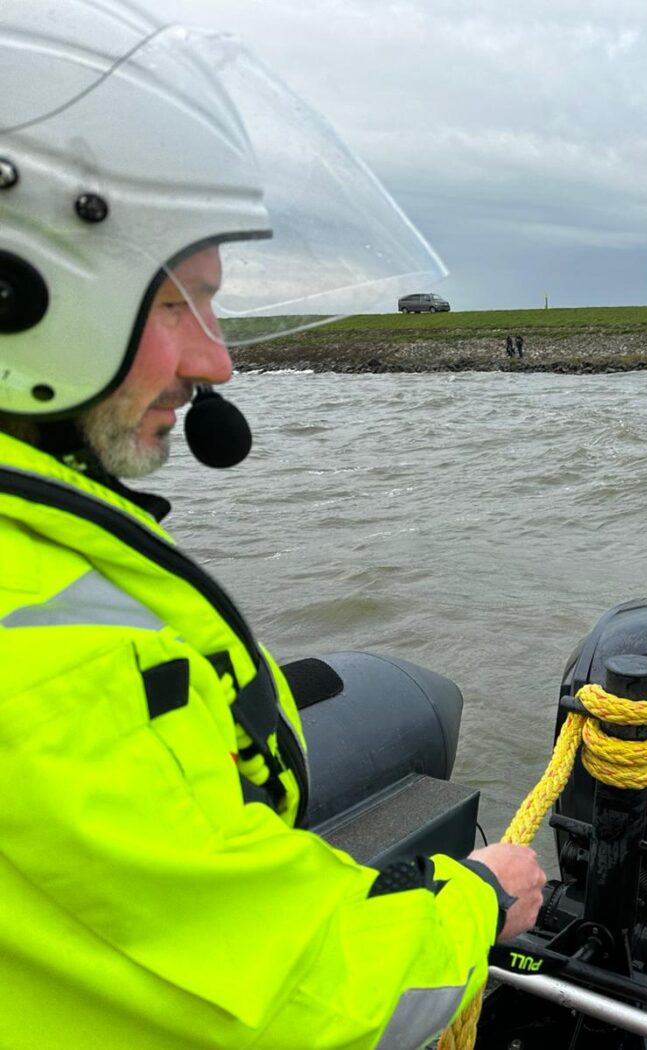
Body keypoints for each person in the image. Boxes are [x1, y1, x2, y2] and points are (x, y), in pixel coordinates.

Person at [0, 4, 545, 1048]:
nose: (215, 364)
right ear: (26, 295)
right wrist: (478, 899)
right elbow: (310, 1007)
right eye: (177, 307)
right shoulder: (50, 657)